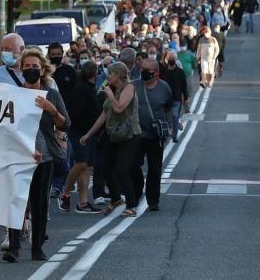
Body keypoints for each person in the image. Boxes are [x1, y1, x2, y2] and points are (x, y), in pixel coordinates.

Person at [3, 49, 70, 263]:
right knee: (16, 201)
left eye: (35, 67)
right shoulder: (13, 95)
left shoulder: (52, 94)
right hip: (19, 155)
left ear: (42, 70)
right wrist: (27, 147)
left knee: (39, 202)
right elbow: (6, 125)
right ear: (21, 70)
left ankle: (37, 247)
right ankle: (13, 247)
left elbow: (65, 123)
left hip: (46, 157)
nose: (31, 70)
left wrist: (52, 110)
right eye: (27, 67)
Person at [80, 62, 142, 216]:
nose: (108, 76)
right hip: (114, 135)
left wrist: (110, 95)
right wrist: (89, 134)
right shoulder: (113, 89)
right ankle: (115, 199)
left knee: (122, 169)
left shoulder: (129, 88)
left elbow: (119, 108)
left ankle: (131, 205)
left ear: (119, 75)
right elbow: (105, 114)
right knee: (105, 168)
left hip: (129, 134)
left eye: (111, 73)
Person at [58, 61, 102, 214]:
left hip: (87, 132)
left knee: (86, 167)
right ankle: (65, 193)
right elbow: (77, 114)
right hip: (81, 132)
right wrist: (87, 132)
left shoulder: (87, 88)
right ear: (94, 74)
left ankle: (83, 203)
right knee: (81, 163)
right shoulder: (82, 89)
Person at [132, 58, 172, 212]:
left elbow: (169, 107)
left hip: (155, 135)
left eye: (147, 70)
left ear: (156, 72)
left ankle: (153, 200)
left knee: (155, 168)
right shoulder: (133, 85)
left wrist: (169, 125)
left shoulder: (164, 87)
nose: (143, 73)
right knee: (133, 165)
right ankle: (135, 193)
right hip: (136, 134)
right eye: (142, 69)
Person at [160, 51, 188, 143]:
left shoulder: (180, 72)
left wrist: (186, 98)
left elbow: (184, 85)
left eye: (173, 58)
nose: (171, 59)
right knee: (165, 117)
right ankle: (165, 133)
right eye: (170, 57)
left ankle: (175, 135)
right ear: (167, 59)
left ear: (176, 59)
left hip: (176, 98)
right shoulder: (163, 72)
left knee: (175, 116)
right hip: (165, 99)